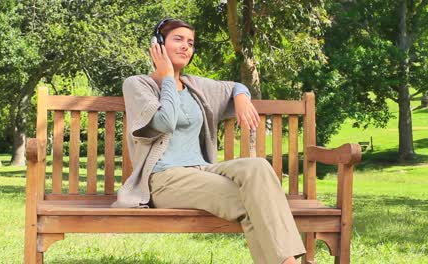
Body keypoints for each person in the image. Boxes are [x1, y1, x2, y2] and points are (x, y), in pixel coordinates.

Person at [112, 18, 306, 264]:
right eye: (178, 40)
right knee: (252, 204)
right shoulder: (138, 84)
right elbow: (165, 122)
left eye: (190, 43)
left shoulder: (195, 86)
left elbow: (236, 86)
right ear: (158, 45)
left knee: (257, 167)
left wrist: (242, 98)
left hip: (203, 170)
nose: (186, 47)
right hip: (164, 180)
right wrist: (168, 77)